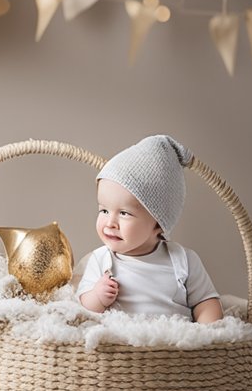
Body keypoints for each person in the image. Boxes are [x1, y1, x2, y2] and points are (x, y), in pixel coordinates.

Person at [76, 135, 223, 324]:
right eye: (104, 210)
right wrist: (97, 296)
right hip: (118, 347)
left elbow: (207, 301)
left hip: (172, 346)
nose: (110, 222)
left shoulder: (183, 260)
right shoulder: (101, 260)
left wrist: (206, 334)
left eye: (124, 213)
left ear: (158, 224)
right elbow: (83, 305)